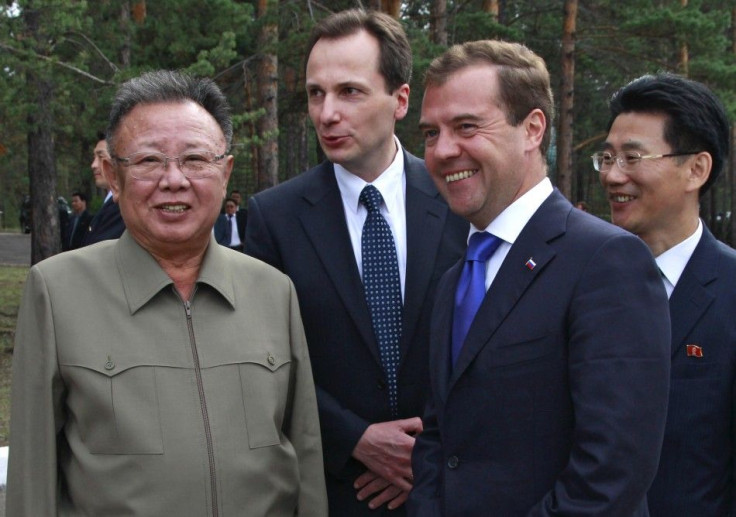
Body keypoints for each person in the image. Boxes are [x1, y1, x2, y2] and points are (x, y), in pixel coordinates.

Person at [6, 70, 327, 516]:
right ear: (114, 177)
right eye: (149, 161)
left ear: (225, 171)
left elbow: (305, 455)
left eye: (196, 159)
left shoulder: (273, 291)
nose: (174, 180)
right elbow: (31, 474)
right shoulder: (58, 292)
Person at [408, 40, 671, 516]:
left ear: (532, 129)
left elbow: (612, 470)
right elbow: (439, 438)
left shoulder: (606, 262)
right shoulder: (454, 279)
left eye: (466, 126)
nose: (443, 150)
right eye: (430, 134)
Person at [245, 9, 467, 515]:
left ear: (401, 100)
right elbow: (261, 362)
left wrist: (422, 454)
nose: (326, 114)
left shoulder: (461, 204)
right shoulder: (274, 218)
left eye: (349, 91)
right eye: (315, 93)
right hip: (333, 490)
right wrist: (357, 440)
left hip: (450, 487)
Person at [599, 73, 736, 516]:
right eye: (607, 157)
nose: (613, 175)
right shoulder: (580, 282)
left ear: (696, 169)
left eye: (633, 157)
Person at [80, 132, 125, 246]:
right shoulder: (112, 203)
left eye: (101, 157)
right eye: (94, 157)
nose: (94, 165)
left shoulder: (124, 206)